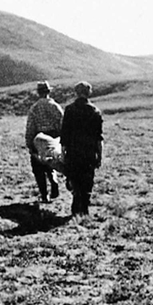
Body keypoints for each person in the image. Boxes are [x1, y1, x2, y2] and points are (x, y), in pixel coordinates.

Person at [60, 81, 103, 218]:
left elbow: (64, 135)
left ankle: (75, 207)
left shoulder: (69, 110)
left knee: (75, 180)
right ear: (89, 92)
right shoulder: (95, 111)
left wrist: (63, 154)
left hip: (73, 152)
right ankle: (84, 209)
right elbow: (98, 138)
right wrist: (99, 156)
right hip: (89, 153)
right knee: (87, 182)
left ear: (76, 93)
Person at [24, 81, 63, 202]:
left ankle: (44, 194)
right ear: (49, 92)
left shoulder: (34, 108)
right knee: (51, 161)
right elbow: (62, 123)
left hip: (39, 138)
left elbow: (30, 127)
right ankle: (54, 181)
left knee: (38, 167)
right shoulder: (55, 106)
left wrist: (30, 144)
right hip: (55, 137)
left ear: (38, 93)